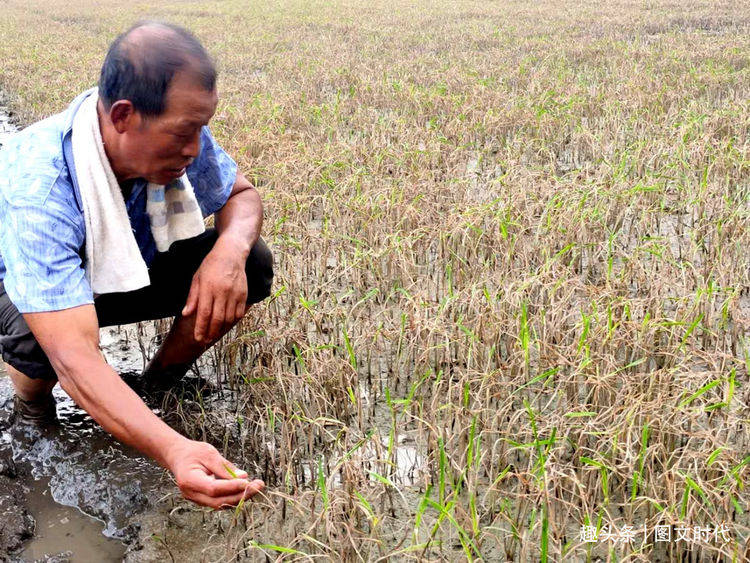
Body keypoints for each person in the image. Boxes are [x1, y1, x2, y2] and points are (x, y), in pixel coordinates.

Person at [0, 21, 270, 509]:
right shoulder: (40, 187)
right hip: (27, 292)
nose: (194, 149)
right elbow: (74, 357)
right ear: (123, 115)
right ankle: (31, 407)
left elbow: (242, 195)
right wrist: (175, 450)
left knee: (251, 261)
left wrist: (226, 253)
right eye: (183, 133)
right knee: (34, 336)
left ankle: (155, 386)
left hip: (126, 265)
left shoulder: (180, 142)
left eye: (201, 128)